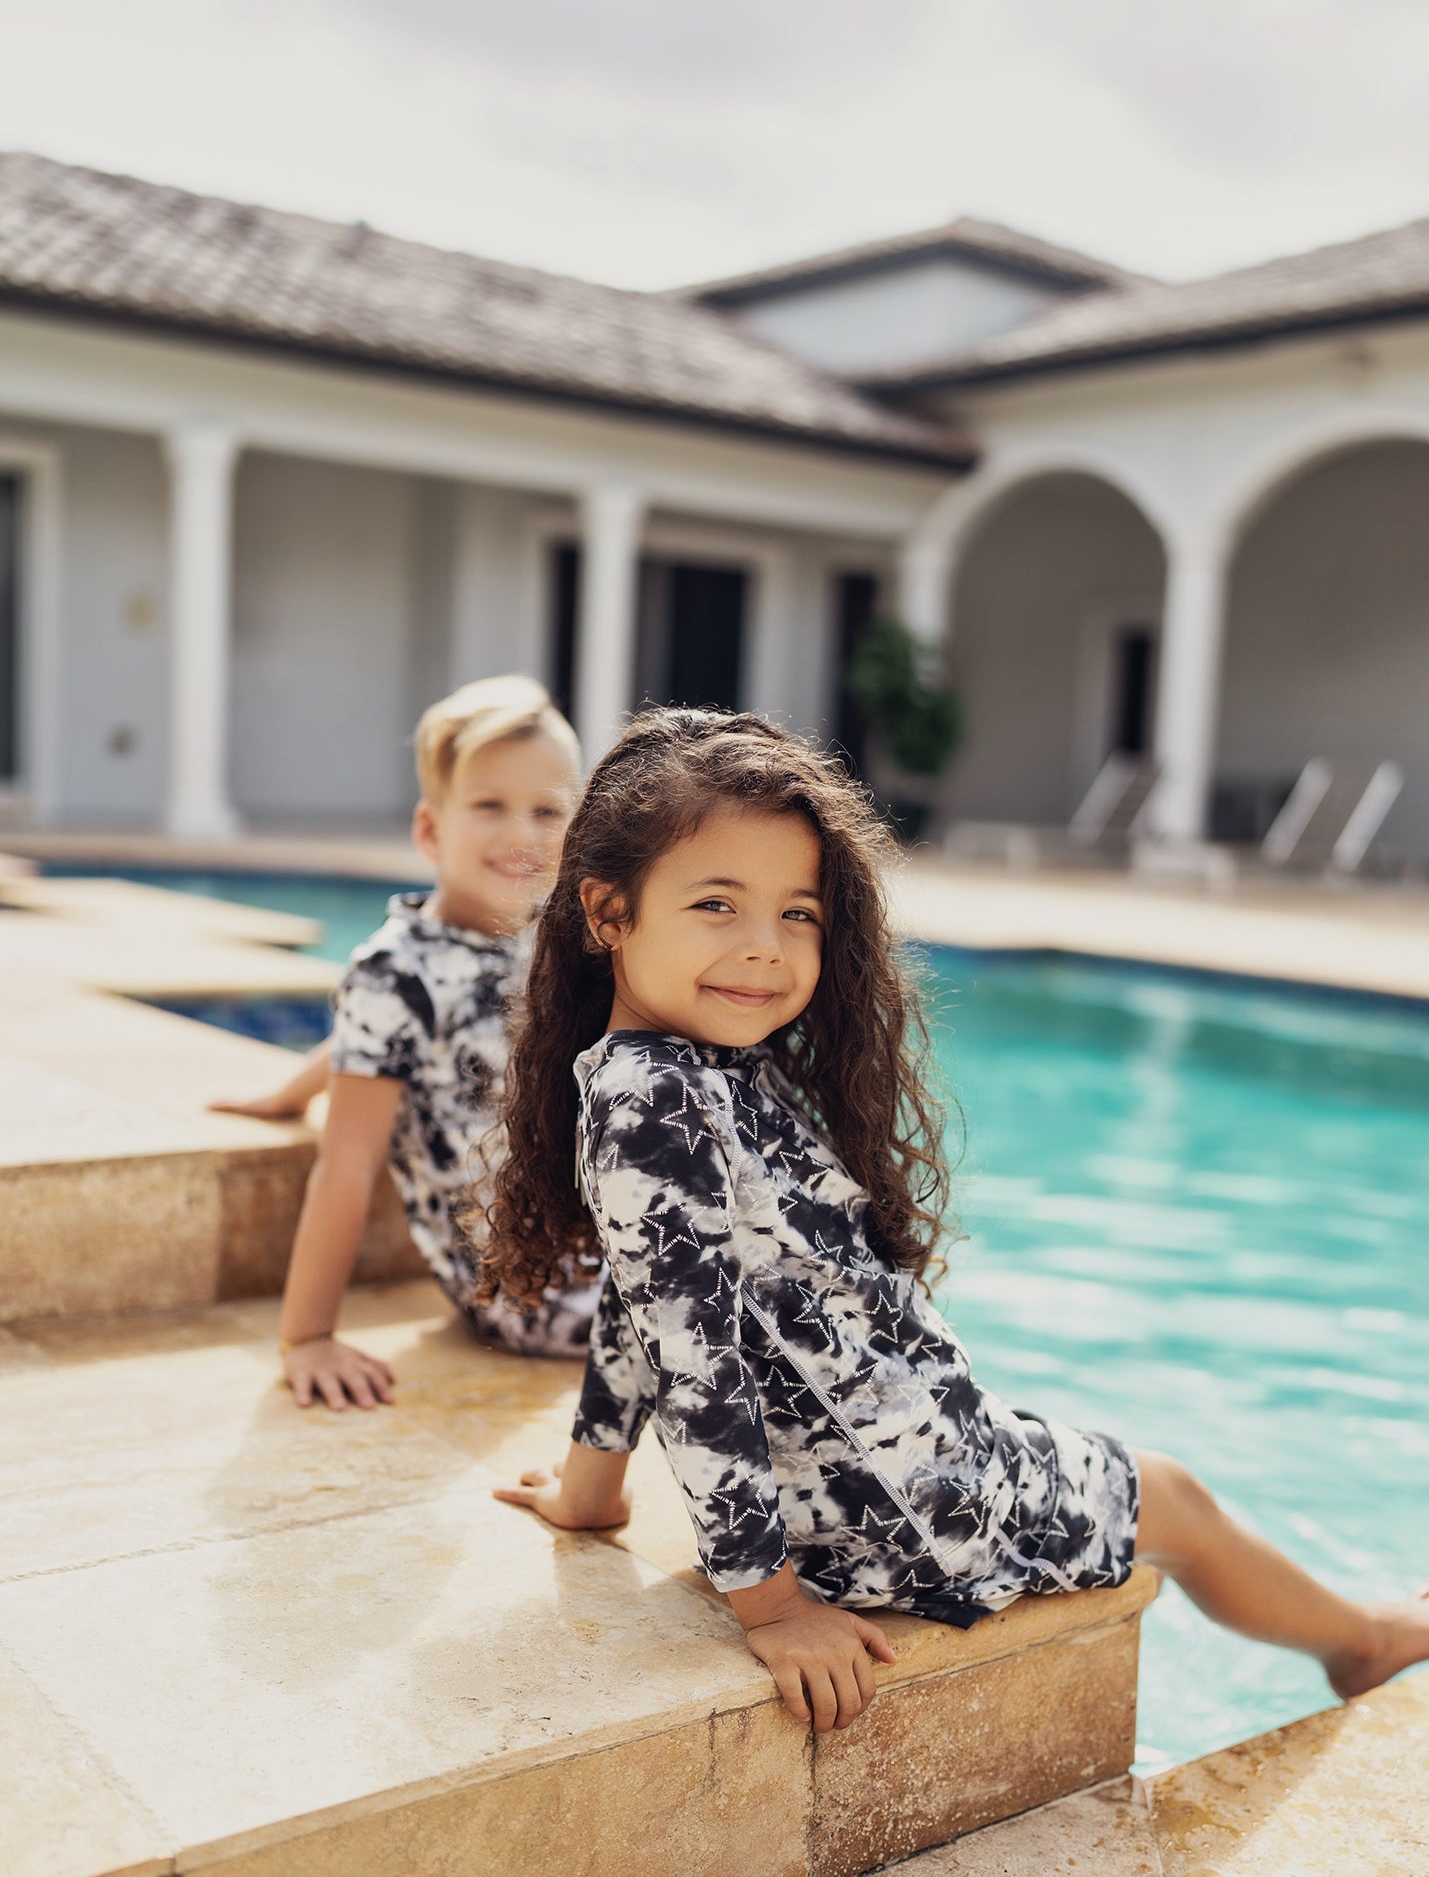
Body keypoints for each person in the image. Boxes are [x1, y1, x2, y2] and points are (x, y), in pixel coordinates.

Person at [485, 706, 1429, 1734]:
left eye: (797, 913)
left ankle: (1356, 1635)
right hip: (908, 1511)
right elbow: (692, 1364)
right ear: (607, 911)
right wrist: (773, 1608)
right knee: (1173, 1499)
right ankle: (1361, 1643)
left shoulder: (682, 1074)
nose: (763, 948)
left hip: (896, 1469)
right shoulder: (656, 1102)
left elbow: (644, 1295)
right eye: (716, 903)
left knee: (1148, 1483)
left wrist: (592, 1488)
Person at [218, 674, 597, 1411]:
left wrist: (291, 1091)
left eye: (547, 810)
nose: (522, 834)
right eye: (489, 806)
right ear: (430, 830)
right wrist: (307, 1336)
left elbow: (373, 1045)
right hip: (537, 1296)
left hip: (596, 1242)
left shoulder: (546, 940)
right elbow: (346, 1165)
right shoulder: (395, 972)